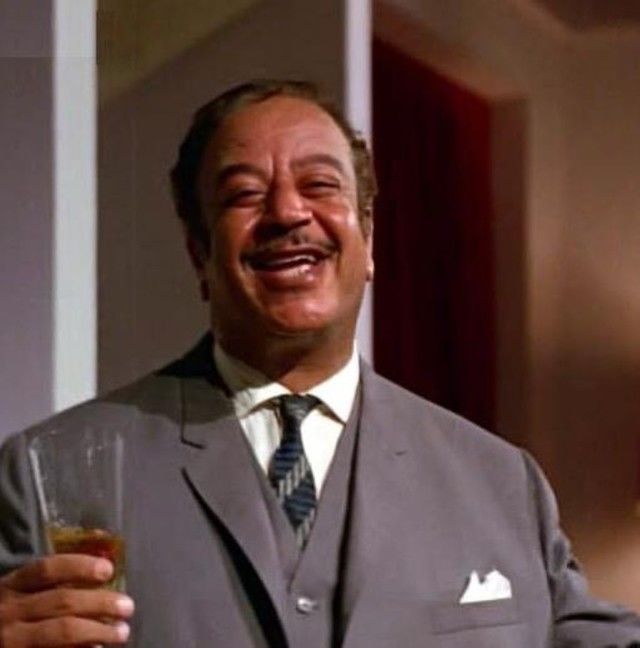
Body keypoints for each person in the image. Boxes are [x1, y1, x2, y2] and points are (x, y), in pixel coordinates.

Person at [0, 80, 638, 647]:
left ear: (369, 238)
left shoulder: (503, 484)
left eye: (320, 185)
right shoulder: (46, 471)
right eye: (244, 194)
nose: (287, 212)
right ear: (199, 253)